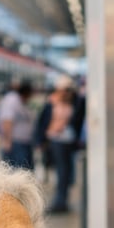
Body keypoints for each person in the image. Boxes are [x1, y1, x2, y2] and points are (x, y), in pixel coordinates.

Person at [40, 76, 80, 213]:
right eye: (64, 90)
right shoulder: (52, 102)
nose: (66, 93)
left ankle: (61, 201)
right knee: (61, 172)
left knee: (65, 173)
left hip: (66, 142)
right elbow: (44, 122)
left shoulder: (75, 102)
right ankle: (59, 201)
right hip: (56, 140)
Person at [0, 79, 36, 170]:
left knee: (24, 171)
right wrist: (7, 141)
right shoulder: (12, 100)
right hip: (15, 144)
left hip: (22, 143)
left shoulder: (18, 100)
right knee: (17, 172)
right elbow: (7, 121)